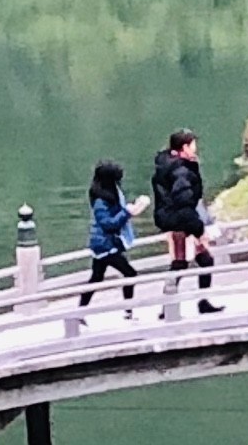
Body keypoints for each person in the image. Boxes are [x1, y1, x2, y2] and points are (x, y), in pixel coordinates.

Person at [151, 130, 218, 309]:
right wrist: (198, 229)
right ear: (185, 147)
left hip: (170, 218)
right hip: (182, 218)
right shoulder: (181, 170)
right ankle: (201, 302)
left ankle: (168, 306)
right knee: (204, 259)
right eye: (193, 145)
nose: (195, 149)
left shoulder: (165, 164)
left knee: (180, 262)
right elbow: (184, 200)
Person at [78, 161, 138, 310]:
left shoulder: (108, 195)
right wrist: (126, 212)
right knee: (130, 273)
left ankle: (80, 310)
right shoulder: (100, 201)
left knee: (97, 277)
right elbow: (108, 224)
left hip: (103, 243)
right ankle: (128, 310)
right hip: (105, 245)